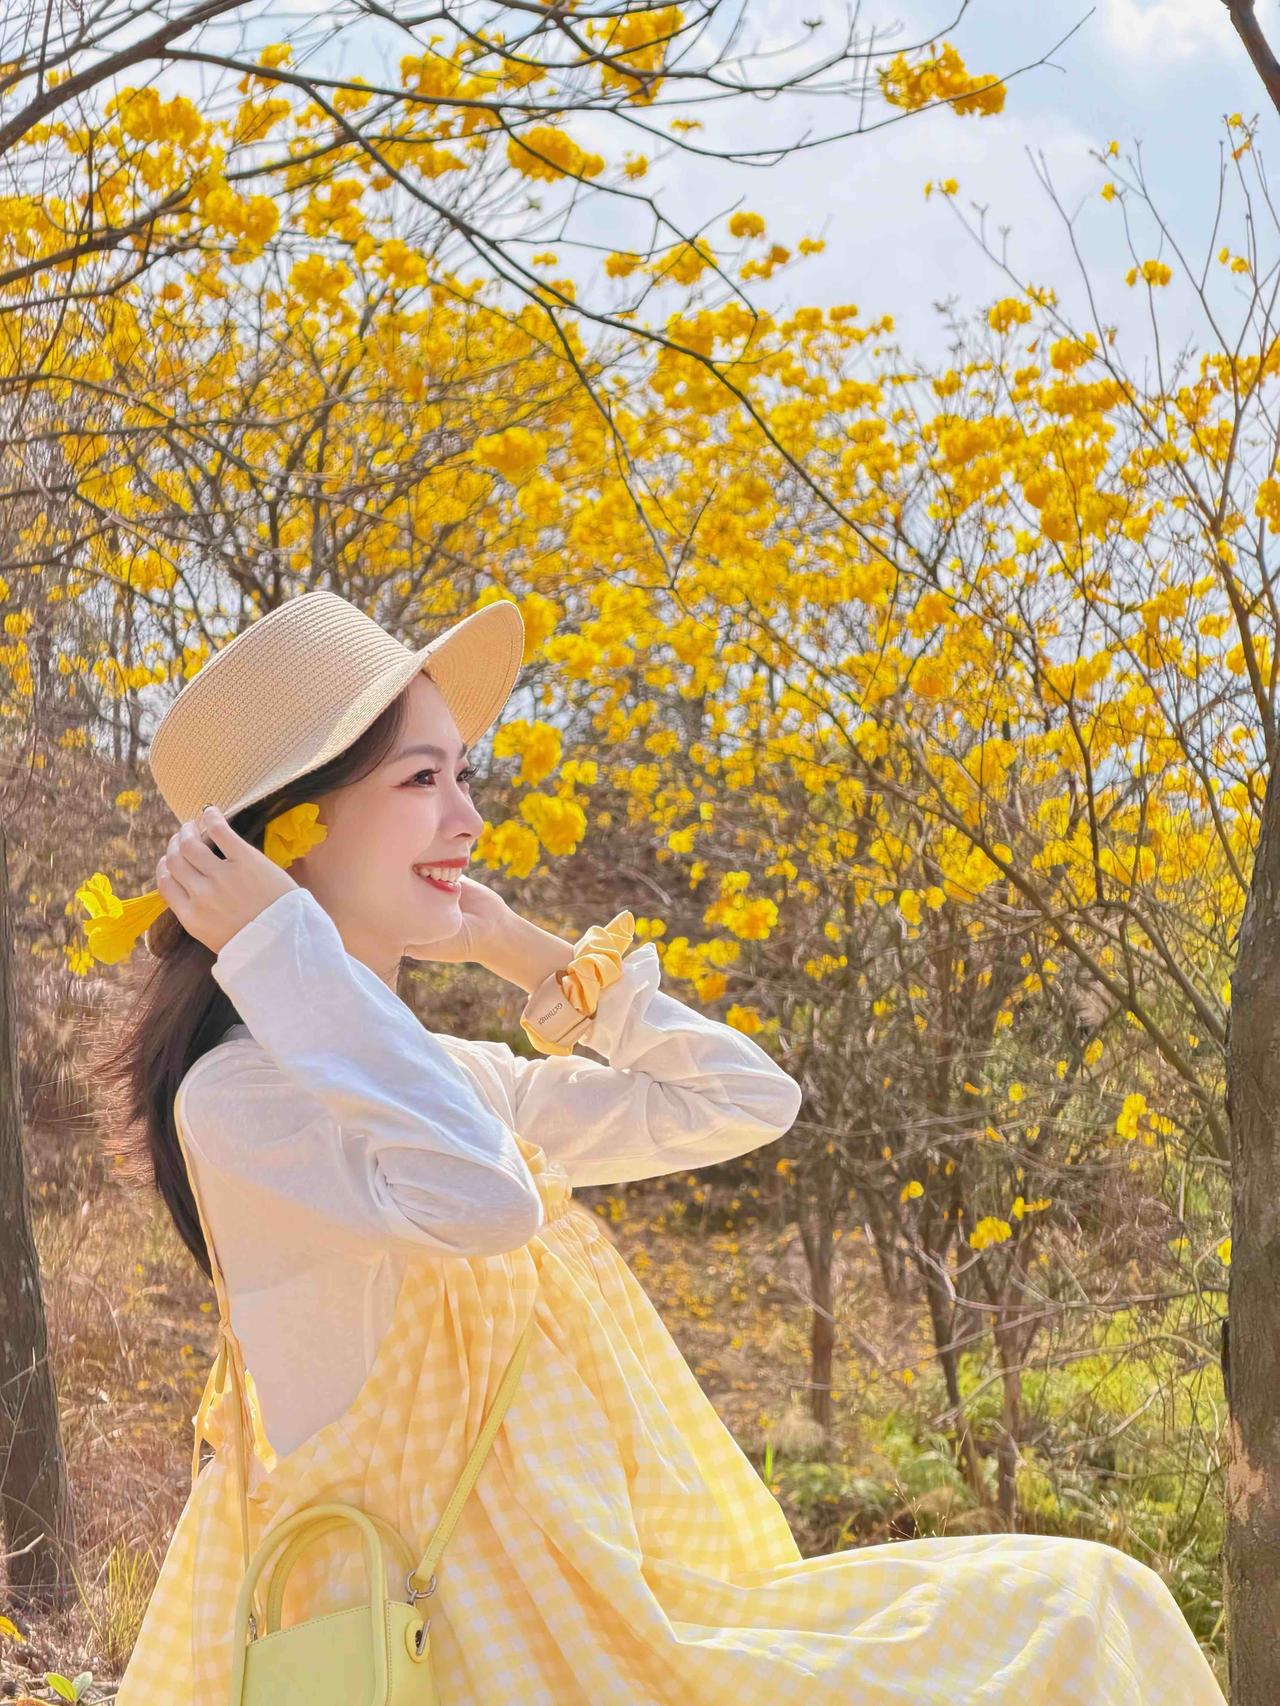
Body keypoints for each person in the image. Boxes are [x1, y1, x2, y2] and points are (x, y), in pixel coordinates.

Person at [100, 591, 1226, 1703]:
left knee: (1093, 1597)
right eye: (420, 778)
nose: (469, 821)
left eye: (463, 772)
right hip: (447, 1648)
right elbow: (484, 1197)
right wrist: (280, 947)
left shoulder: (435, 1078)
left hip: (589, 1614)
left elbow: (741, 1100)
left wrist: (535, 958)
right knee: (1068, 1618)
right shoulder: (242, 1098)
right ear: (295, 833)